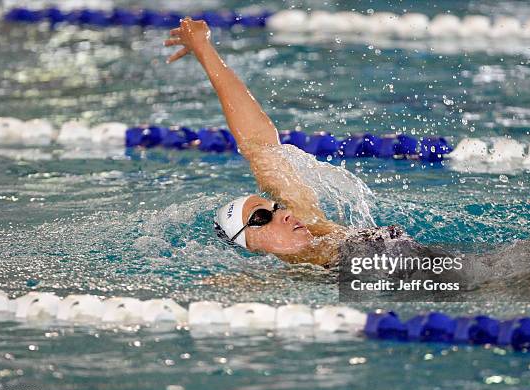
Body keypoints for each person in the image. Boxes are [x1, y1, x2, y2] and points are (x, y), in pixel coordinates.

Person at [163, 17, 427, 269]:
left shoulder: (315, 226)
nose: (285, 214)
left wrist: (204, 49)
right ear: (250, 248)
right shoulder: (291, 276)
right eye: (261, 217)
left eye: (275, 208)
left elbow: (258, 144)